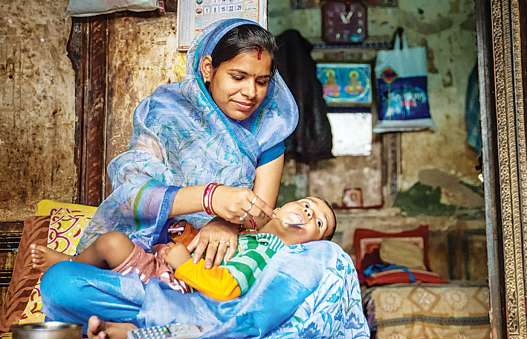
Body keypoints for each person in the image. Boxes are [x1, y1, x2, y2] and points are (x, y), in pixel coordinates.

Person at [70, 18, 298, 272]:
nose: (250, 92)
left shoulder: (268, 130)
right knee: (65, 284)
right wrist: (211, 197)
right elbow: (133, 196)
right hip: (148, 250)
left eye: (262, 81)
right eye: (238, 77)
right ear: (208, 68)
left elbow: (261, 212)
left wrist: (226, 224)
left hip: (217, 257)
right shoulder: (165, 114)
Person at [32, 196, 336, 302]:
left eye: (319, 223)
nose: (310, 213)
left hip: (170, 292)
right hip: (159, 268)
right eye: (307, 205)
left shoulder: (268, 251)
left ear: (309, 247)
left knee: (69, 286)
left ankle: (76, 276)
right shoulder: (246, 230)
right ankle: (72, 260)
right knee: (112, 241)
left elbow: (225, 288)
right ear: (283, 206)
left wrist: (183, 264)